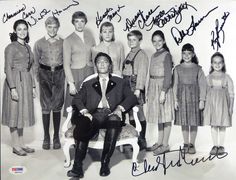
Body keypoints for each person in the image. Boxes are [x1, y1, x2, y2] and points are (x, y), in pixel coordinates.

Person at [67, 52, 137, 178]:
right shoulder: (88, 84)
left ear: (110, 65)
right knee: (83, 126)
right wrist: (85, 111)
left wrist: (120, 108)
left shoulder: (120, 82)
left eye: (105, 62)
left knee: (114, 120)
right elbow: (76, 99)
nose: (102, 64)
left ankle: (105, 163)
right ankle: (77, 167)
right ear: (96, 66)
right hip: (94, 115)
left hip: (112, 114)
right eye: (99, 62)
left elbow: (132, 98)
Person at [2, 19, 36, 156]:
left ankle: (21, 144)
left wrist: (33, 86)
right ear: (15, 31)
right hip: (15, 82)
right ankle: (15, 145)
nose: (22, 32)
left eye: (24, 29)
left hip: (26, 83)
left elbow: (31, 68)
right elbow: (7, 69)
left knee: (22, 114)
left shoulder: (28, 47)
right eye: (19, 29)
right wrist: (13, 88)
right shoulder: (10, 47)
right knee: (14, 113)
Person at [33, 16, 64, 150]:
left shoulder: (63, 42)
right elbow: (35, 63)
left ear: (58, 27)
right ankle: (46, 137)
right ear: (46, 27)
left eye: (55, 27)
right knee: (45, 105)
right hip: (44, 74)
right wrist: (36, 79)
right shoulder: (39, 43)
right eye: (49, 27)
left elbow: (67, 60)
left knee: (57, 104)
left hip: (59, 74)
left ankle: (56, 137)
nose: (52, 29)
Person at [173, 43, 207, 154]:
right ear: (181, 54)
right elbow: (175, 85)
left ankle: (192, 144)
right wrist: (175, 100)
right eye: (184, 53)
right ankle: (186, 143)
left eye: (189, 53)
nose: (186, 55)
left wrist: (202, 100)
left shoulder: (198, 69)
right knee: (184, 122)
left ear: (193, 54)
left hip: (194, 99)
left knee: (193, 122)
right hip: (182, 98)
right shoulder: (177, 69)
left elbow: (203, 85)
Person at [146, 30, 175, 155]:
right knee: (159, 116)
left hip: (163, 88)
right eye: (154, 41)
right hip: (153, 87)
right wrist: (148, 91)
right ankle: (159, 142)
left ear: (163, 41)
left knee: (166, 117)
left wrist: (163, 91)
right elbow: (150, 75)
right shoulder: (153, 55)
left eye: (159, 40)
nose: (157, 43)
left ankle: (165, 144)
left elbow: (169, 75)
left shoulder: (166, 55)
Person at [63, 11, 96, 116]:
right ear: (73, 23)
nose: (80, 24)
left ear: (85, 22)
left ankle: (89, 128)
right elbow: (66, 64)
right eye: (77, 21)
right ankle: (74, 130)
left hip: (90, 72)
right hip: (75, 75)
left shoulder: (90, 37)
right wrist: (71, 83)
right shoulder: (68, 40)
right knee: (75, 104)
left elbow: (95, 57)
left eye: (82, 21)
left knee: (90, 102)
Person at [122, 30, 149, 150]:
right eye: (129, 39)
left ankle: (142, 140)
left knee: (139, 112)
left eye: (134, 40)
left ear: (140, 41)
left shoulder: (141, 55)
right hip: (126, 85)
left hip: (135, 85)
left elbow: (142, 73)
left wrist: (138, 89)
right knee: (131, 114)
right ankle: (134, 138)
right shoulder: (129, 54)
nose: (131, 42)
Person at [204, 52, 234, 155]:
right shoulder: (208, 78)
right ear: (211, 64)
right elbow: (205, 93)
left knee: (222, 126)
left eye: (220, 62)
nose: (217, 65)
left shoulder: (227, 77)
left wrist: (231, 108)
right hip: (212, 105)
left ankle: (221, 146)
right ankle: (215, 145)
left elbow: (231, 94)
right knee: (213, 126)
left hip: (223, 105)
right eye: (215, 62)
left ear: (223, 64)